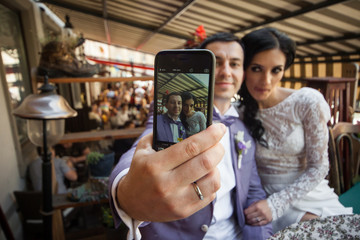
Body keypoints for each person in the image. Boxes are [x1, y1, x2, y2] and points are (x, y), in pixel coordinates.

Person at [108, 32, 272, 240]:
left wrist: (264, 233)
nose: (226, 71)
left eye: (235, 64)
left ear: (243, 71)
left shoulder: (243, 128)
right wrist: (126, 189)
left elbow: (253, 190)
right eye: (217, 62)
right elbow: (145, 142)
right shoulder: (178, 116)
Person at [239, 27, 353, 233]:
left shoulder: (307, 102)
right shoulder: (238, 112)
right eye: (256, 68)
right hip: (258, 201)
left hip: (307, 196)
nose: (266, 80)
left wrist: (276, 204)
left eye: (276, 70)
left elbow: (319, 167)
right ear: (243, 67)